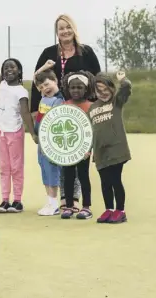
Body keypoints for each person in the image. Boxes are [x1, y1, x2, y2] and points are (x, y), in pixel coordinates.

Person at [0, 45, 38, 214]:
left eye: (12, 67)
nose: (8, 70)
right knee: (4, 167)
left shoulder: (21, 91)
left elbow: (25, 113)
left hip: (15, 133)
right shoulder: (2, 84)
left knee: (16, 167)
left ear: (19, 72)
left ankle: (17, 201)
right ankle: (4, 200)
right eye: (6, 68)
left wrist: (32, 132)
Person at [33, 60, 81, 216]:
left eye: (47, 84)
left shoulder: (58, 100)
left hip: (51, 144)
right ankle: (49, 201)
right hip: (41, 144)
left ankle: (54, 203)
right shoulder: (43, 98)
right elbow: (36, 79)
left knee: (52, 171)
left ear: (55, 82)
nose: (44, 88)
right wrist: (44, 68)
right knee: (44, 171)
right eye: (41, 87)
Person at [30, 14, 101, 112]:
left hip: (84, 108)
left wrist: (99, 106)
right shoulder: (48, 53)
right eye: (61, 28)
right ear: (57, 32)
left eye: (68, 27)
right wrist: (34, 110)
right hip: (54, 109)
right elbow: (37, 81)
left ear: (74, 29)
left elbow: (98, 79)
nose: (65, 31)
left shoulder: (87, 52)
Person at [89, 71, 132, 224]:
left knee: (115, 180)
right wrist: (88, 150)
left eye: (105, 89)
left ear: (112, 88)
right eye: (98, 90)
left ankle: (120, 211)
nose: (103, 93)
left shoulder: (116, 101)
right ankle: (109, 209)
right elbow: (90, 131)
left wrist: (122, 79)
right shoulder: (92, 108)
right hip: (100, 152)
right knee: (105, 182)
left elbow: (126, 88)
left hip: (116, 149)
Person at [59, 70, 96, 220]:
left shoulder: (91, 107)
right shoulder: (64, 104)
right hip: (68, 150)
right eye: (73, 87)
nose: (76, 90)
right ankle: (69, 205)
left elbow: (93, 130)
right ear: (68, 89)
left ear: (86, 89)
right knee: (68, 177)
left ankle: (86, 207)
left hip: (84, 151)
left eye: (79, 87)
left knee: (83, 176)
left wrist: (88, 149)